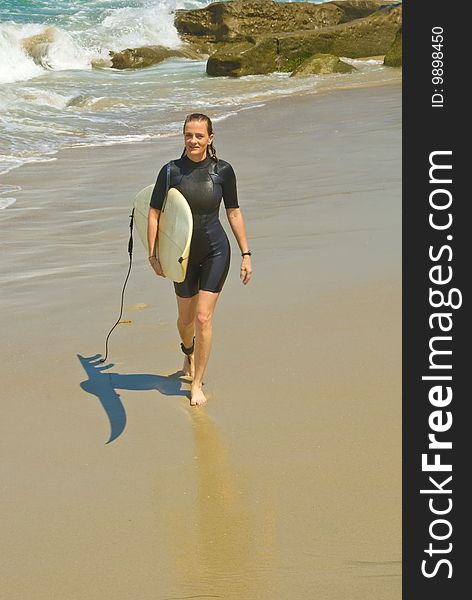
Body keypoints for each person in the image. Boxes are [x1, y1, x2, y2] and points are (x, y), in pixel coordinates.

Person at [147, 113, 253, 407]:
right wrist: (154, 254)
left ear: (210, 138)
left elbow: (233, 212)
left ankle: (196, 384)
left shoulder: (223, 171)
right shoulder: (170, 172)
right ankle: (188, 350)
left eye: (199, 136)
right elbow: (154, 211)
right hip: (181, 256)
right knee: (185, 319)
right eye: (188, 135)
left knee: (203, 317)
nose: (193, 141)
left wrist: (246, 254)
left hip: (215, 250)